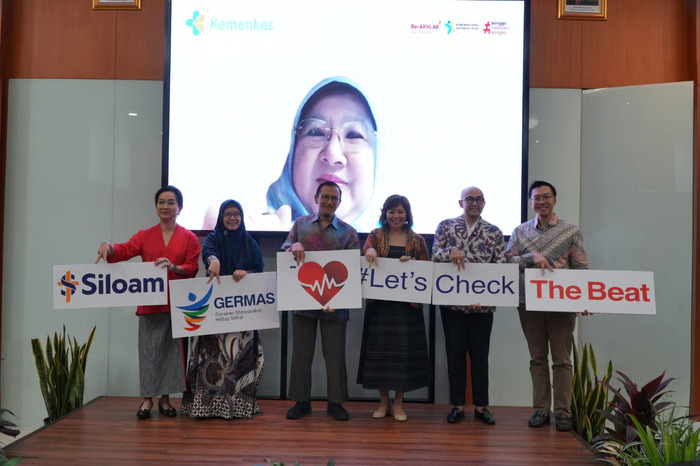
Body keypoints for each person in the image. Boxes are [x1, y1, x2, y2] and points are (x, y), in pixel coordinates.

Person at [96, 185, 200, 419]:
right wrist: (109, 246)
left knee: (171, 354)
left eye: (171, 202)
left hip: (176, 304)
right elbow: (124, 250)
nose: (166, 206)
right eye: (161, 202)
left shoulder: (190, 238)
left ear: (180, 208)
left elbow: (192, 268)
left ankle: (165, 400)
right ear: (156, 207)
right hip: (149, 303)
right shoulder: (145, 235)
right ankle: (147, 400)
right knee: (149, 353)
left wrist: (174, 267)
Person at [505, 180, 590, 432]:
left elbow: (581, 267)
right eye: (537, 198)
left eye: (546, 197)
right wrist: (531, 257)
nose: (541, 201)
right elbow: (507, 261)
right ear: (530, 202)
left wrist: (584, 299)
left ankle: (563, 413)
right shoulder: (520, 231)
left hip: (562, 304)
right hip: (528, 303)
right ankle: (541, 409)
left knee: (562, 360)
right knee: (537, 359)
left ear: (555, 200)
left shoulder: (570, 230)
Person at [282, 181, 360, 421]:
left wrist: (338, 298)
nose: (329, 201)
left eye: (334, 198)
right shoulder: (300, 225)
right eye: (325, 196)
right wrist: (293, 245)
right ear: (316, 198)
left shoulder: (348, 232)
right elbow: (286, 250)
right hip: (303, 300)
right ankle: (301, 402)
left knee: (335, 356)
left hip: (335, 304)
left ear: (339, 202)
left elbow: (352, 271)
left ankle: (336, 403)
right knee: (301, 354)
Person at [181, 200, 265, 419]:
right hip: (214, 312)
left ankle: (238, 407)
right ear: (220, 217)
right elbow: (208, 253)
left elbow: (259, 270)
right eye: (227, 214)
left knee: (237, 361)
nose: (232, 218)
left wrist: (247, 274)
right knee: (212, 361)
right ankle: (207, 407)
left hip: (241, 312)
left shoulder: (249, 242)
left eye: (236, 214)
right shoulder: (213, 238)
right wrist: (214, 261)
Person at [432, 186, 506, 426]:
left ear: (484, 203)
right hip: (452, 306)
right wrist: (449, 251)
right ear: (460, 202)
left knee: (480, 357)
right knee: (454, 356)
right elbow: (434, 256)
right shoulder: (445, 226)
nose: (475, 203)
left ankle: (482, 407)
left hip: (482, 306)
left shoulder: (494, 232)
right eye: (470, 199)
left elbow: (501, 266)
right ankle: (457, 406)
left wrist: (486, 297)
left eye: (479, 199)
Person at [266, 77, 378, 231]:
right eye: (315, 132)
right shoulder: (254, 233)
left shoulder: (403, 242)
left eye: (353, 135)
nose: (333, 155)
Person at [357, 195, 430, 422]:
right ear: (385, 213)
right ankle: (383, 401)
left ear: (407, 214)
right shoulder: (375, 236)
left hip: (407, 310)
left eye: (400, 211)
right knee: (381, 355)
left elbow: (426, 271)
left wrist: (413, 265)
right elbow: (363, 260)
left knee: (403, 357)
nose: (396, 216)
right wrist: (368, 253)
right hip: (380, 308)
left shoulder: (417, 240)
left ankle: (399, 402)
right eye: (391, 211)